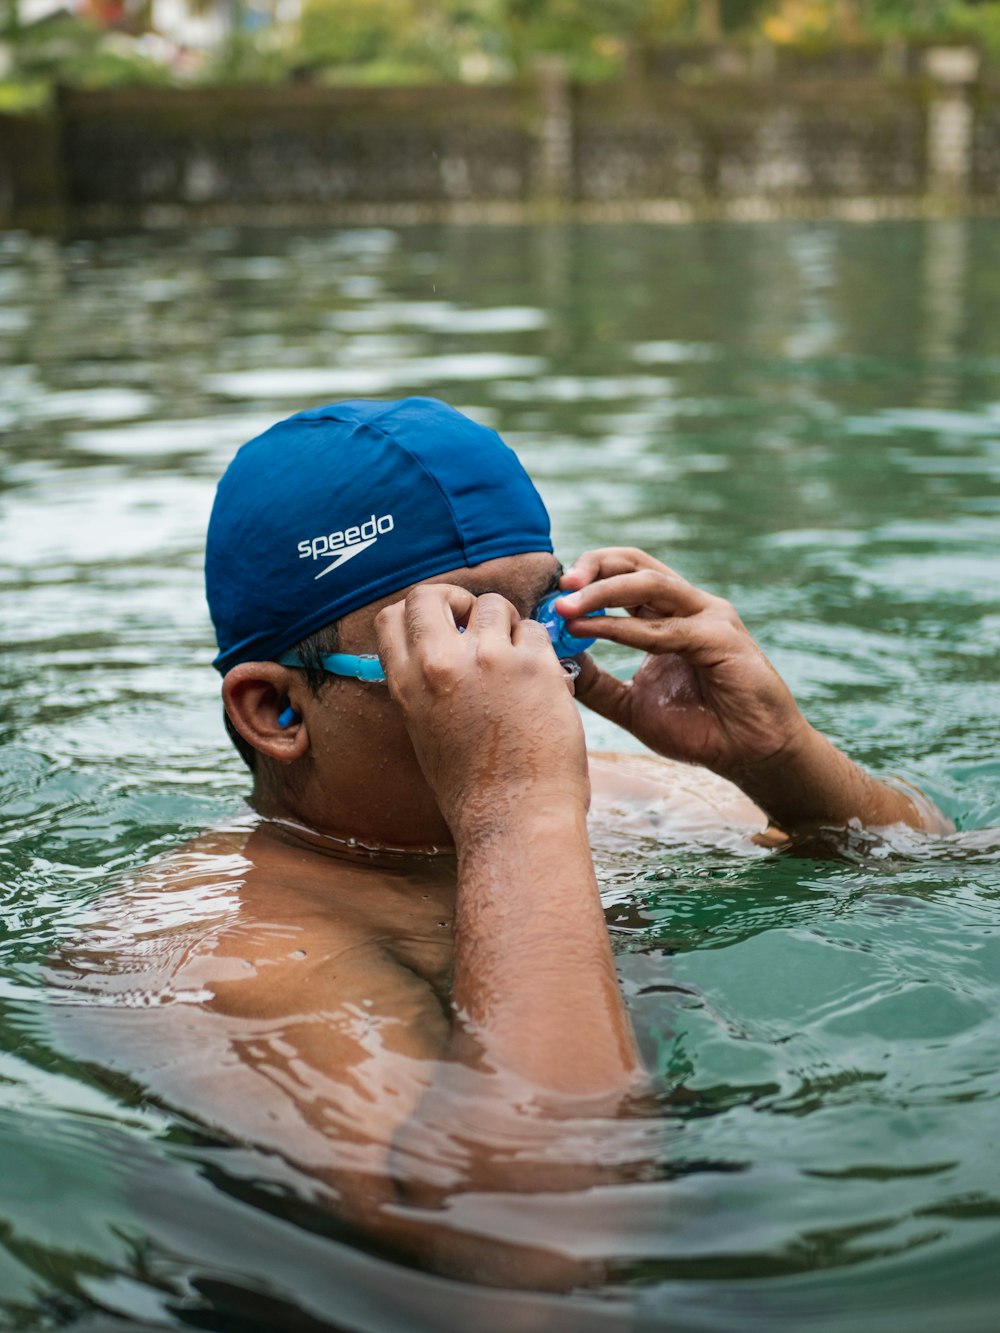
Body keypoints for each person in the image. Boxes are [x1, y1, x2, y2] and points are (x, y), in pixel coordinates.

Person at [53, 397, 950, 1291]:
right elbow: (539, 1261)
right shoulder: (199, 953)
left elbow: (940, 880)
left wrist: (782, 758)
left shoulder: (610, 797)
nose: (537, 677)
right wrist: (516, 814)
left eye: (550, 618)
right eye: (459, 642)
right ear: (277, 710)